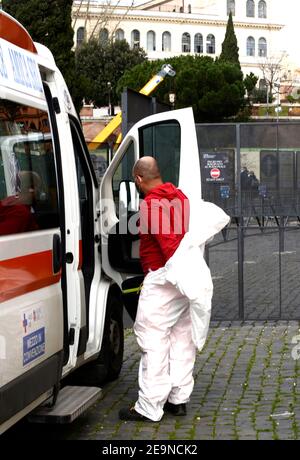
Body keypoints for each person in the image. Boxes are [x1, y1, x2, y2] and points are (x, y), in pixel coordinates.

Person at [119, 156, 194, 422]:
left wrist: (170, 274)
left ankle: (150, 406)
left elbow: (168, 245)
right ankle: (178, 398)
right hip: (184, 279)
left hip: (163, 278)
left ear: (139, 179)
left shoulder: (151, 204)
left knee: (152, 338)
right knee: (181, 336)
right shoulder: (180, 198)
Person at [0, 170, 40, 236]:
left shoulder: (10, 201)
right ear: (31, 189)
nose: (40, 191)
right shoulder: (21, 213)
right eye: (38, 187)